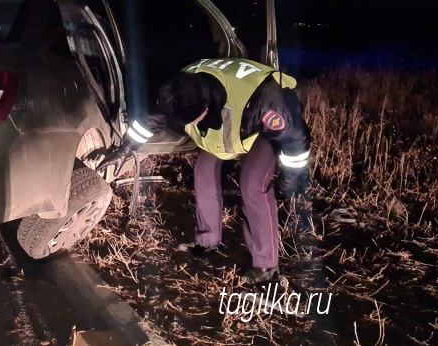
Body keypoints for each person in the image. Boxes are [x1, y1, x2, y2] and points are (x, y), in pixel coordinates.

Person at [96, 58, 311, 285]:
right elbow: (149, 121)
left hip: (258, 133)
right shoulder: (179, 89)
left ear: (205, 109)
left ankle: (266, 265)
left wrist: (290, 181)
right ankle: (207, 240)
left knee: (253, 183)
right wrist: (124, 150)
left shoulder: (268, 102)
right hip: (226, 130)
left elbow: (296, 140)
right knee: (203, 171)